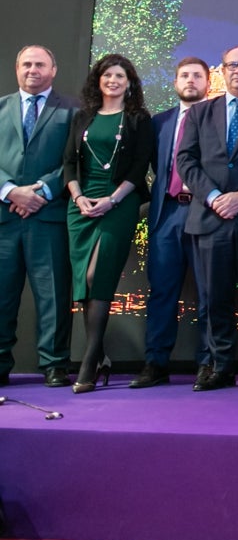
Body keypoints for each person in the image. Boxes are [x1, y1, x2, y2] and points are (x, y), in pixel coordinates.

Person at [176, 45, 238, 392]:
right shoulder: (200, 113)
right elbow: (186, 161)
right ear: (222, 70)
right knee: (213, 298)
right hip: (210, 217)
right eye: (233, 65)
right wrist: (216, 197)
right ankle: (219, 366)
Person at [62, 54, 154, 393]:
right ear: (98, 80)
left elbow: (139, 166)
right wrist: (77, 197)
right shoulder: (83, 117)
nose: (113, 80)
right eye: (107, 75)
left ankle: (89, 359)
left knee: (94, 275)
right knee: (83, 283)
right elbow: (69, 162)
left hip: (119, 203)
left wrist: (112, 200)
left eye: (120, 75)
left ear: (129, 82)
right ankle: (100, 356)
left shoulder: (138, 120)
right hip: (81, 206)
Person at [130, 57, 212, 389]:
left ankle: (209, 362)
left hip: (205, 212)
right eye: (184, 75)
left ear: (208, 82)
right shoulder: (159, 123)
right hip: (166, 214)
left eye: (197, 76)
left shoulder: (216, 118)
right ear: (176, 82)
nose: (190, 80)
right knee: (162, 290)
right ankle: (156, 362)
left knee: (209, 291)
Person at [0, 45, 78, 388]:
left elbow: (76, 159)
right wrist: (10, 191)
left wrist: (41, 192)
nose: (33, 70)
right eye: (27, 64)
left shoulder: (74, 111)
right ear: (17, 69)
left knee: (54, 296)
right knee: (2, 296)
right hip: (5, 217)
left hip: (49, 216)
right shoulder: (0, 108)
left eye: (40, 64)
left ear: (54, 69)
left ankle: (54, 363)